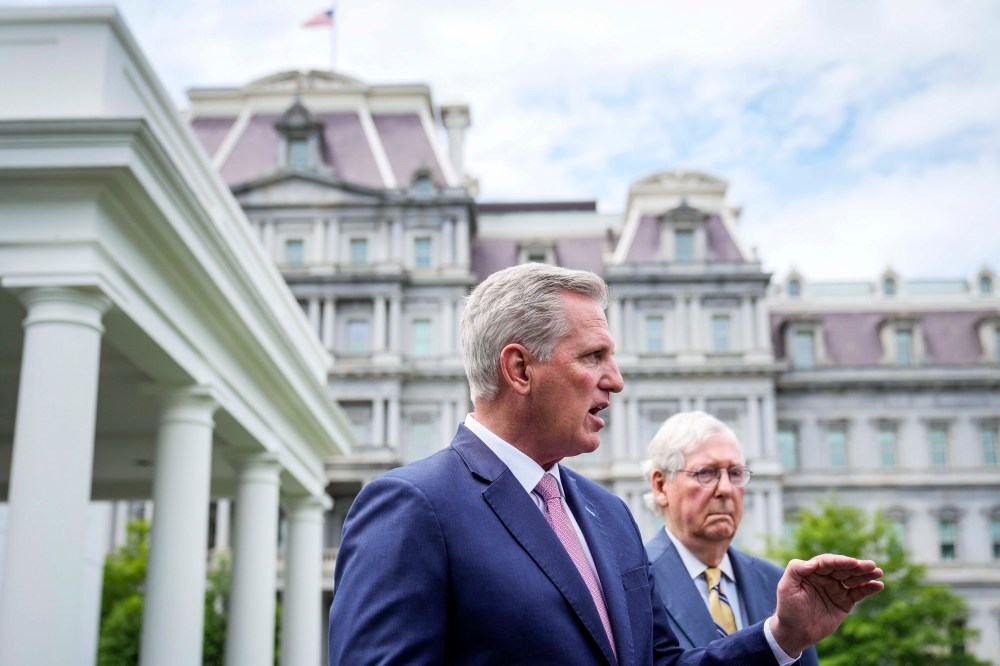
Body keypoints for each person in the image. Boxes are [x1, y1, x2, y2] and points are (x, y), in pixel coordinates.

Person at [329, 263, 883, 665]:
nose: (616, 380)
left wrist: (782, 636)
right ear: (520, 370)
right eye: (593, 357)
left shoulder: (608, 514)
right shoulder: (411, 506)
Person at [643, 411, 819, 665]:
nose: (725, 489)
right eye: (706, 473)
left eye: (735, 473)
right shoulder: (632, 585)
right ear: (661, 486)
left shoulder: (778, 583)